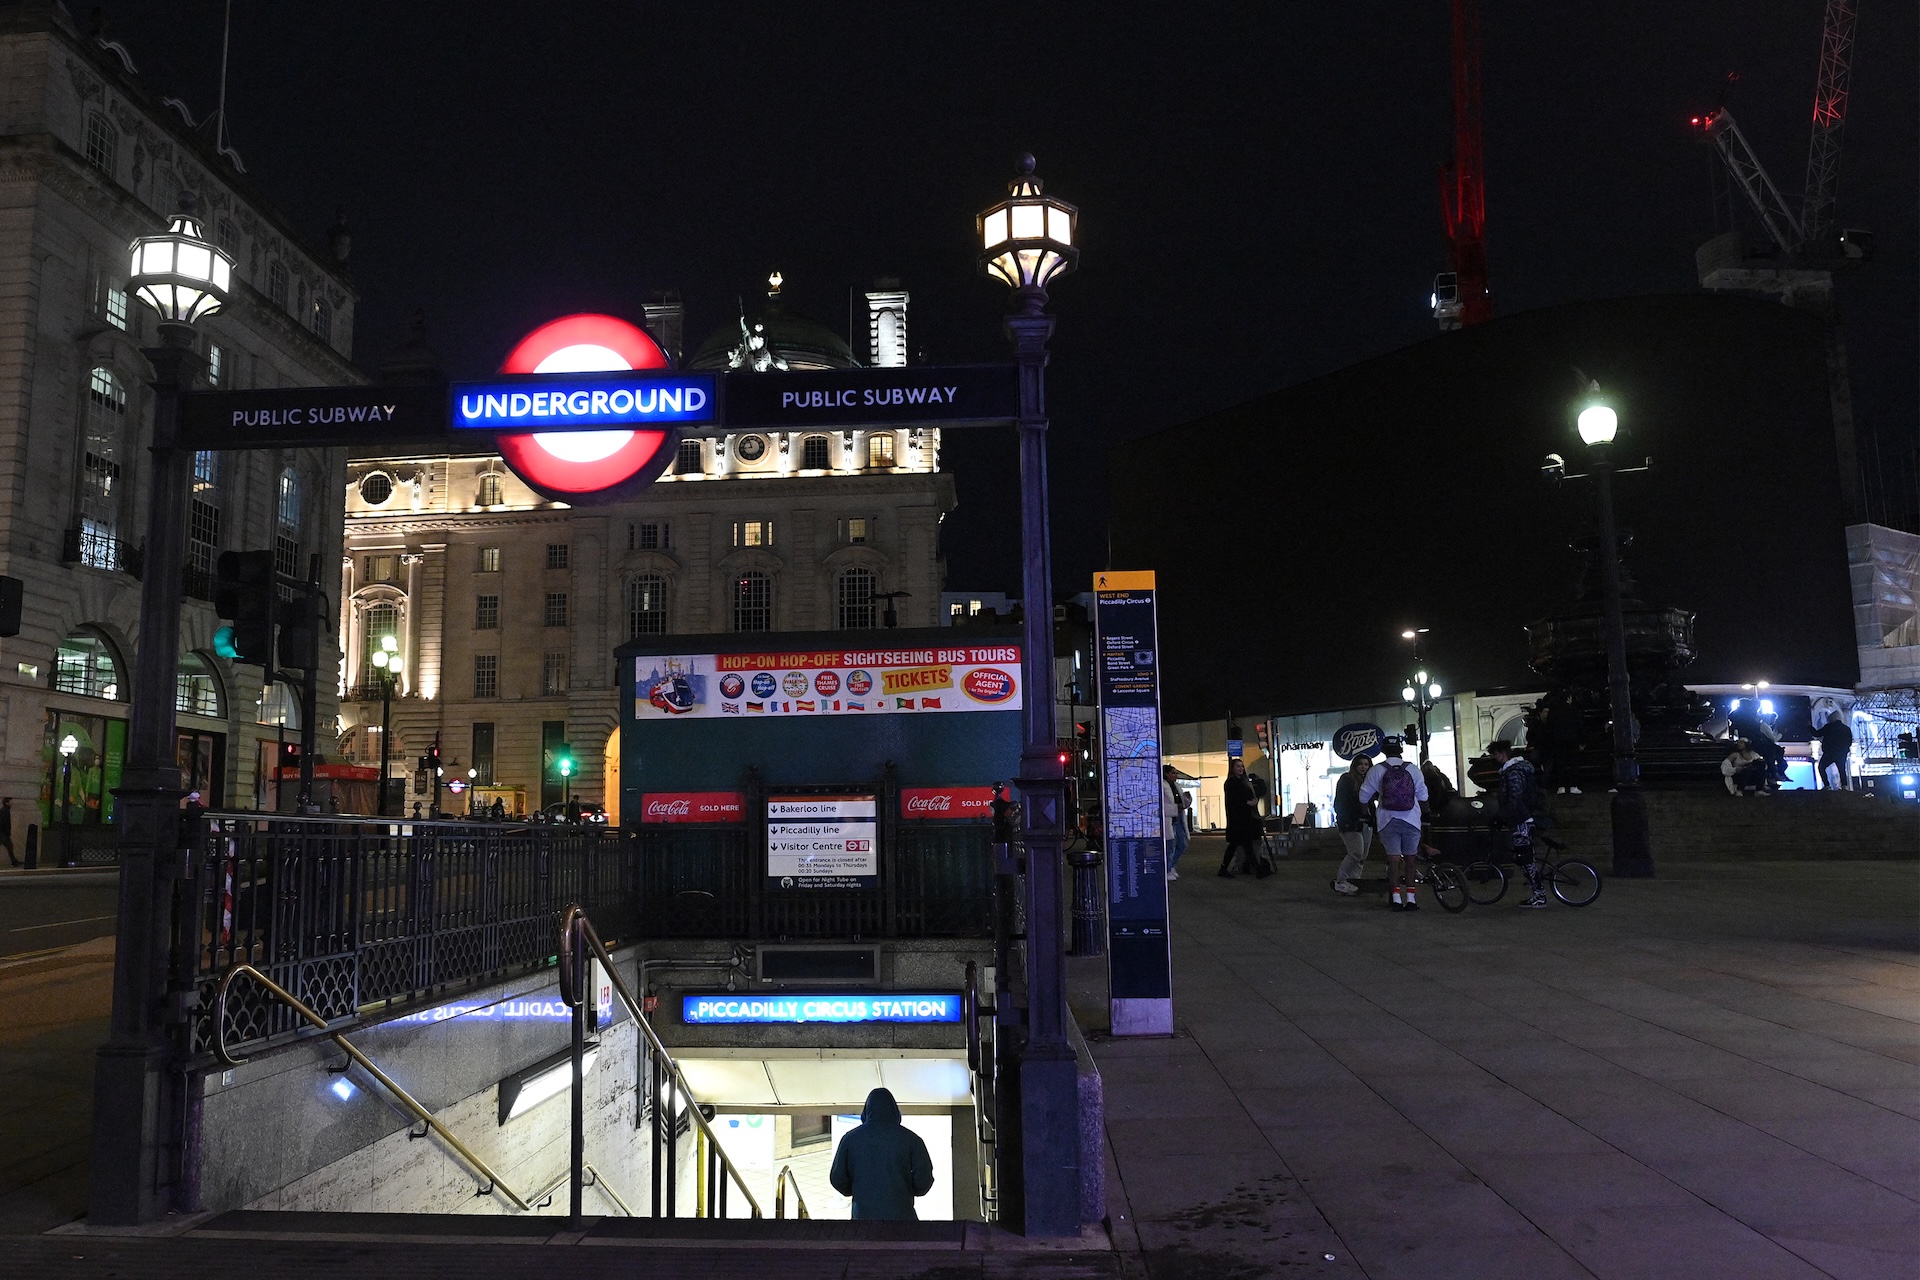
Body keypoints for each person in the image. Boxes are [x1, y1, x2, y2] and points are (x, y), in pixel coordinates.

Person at [829, 1087, 935, 1220]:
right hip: (903, 1222)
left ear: (866, 1110)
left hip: (863, 1220)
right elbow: (924, 1182)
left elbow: (837, 1179)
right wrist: (904, 1190)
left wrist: (856, 1189)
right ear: (895, 1111)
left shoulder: (850, 1139)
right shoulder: (912, 1140)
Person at [1357, 737, 1428, 910]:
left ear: (1384, 751)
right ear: (1400, 750)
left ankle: (1396, 898)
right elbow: (1424, 797)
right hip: (1411, 819)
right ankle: (1411, 899)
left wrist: (1368, 810)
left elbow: (1363, 797)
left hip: (1387, 820)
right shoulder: (1413, 769)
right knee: (1411, 859)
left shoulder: (1376, 770)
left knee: (1394, 860)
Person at [1487, 740, 1549, 908]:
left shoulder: (1513, 772)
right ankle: (1537, 893)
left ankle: (1539, 895)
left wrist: (1501, 816)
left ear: (1502, 754)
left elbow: (1514, 798)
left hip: (1521, 819)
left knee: (1525, 859)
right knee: (1525, 858)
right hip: (1523, 818)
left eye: (1495, 754)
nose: (1494, 758)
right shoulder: (1516, 770)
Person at [1219, 758, 1270, 878]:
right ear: (1232, 768)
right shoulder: (1232, 783)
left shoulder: (1242, 781)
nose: (1241, 769)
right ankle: (1256, 870)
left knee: (1242, 845)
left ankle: (1227, 868)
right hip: (1238, 819)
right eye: (1238, 766)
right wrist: (1248, 803)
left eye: (1242, 766)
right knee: (1241, 845)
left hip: (1244, 818)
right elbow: (1234, 801)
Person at [1331, 755, 1374, 896]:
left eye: (1366, 764)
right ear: (1355, 765)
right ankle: (1342, 880)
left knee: (1362, 855)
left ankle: (1355, 881)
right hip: (1351, 822)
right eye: (1360, 764)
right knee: (1356, 852)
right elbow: (1340, 802)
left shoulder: (1369, 781)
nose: (1363, 767)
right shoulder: (1347, 779)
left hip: (1366, 822)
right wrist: (1345, 819)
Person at [1162, 764, 1189, 880]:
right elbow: (1161, 806)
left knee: (1182, 843)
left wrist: (1187, 801)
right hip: (1169, 819)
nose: (1175, 775)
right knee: (1170, 846)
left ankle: (1171, 865)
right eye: (1173, 773)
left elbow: (1182, 802)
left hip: (1178, 819)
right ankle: (1166, 869)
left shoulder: (1177, 786)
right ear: (1166, 774)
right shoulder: (1162, 786)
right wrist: (1174, 808)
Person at [1814, 713, 1854, 791]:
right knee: (1842, 769)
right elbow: (1849, 741)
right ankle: (1844, 786)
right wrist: (1845, 749)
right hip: (1841, 753)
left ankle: (1827, 785)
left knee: (1821, 767)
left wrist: (1809, 727)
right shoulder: (1846, 728)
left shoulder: (1829, 727)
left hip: (1830, 752)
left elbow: (1817, 734)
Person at [0, 797, 15, 867]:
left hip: (3, 833)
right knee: (10, 846)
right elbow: (4, 823)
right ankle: (14, 861)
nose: (12, 803)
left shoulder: (5, 810)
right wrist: (7, 832)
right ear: (6, 803)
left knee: (10, 846)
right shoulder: (5, 811)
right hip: (3, 833)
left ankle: (14, 861)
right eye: (10, 802)